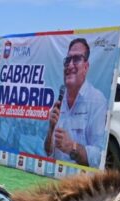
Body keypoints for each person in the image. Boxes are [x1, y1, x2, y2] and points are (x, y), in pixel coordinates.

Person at [44, 38, 108, 167]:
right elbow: (48, 151)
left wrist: (71, 147)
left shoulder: (97, 100)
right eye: (67, 60)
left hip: (78, 180)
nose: (70, 65)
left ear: (86, 67)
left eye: (77, 59)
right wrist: (50, 129)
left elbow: (99, 156)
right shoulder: (59, 101)